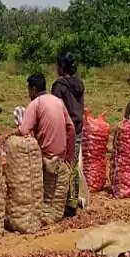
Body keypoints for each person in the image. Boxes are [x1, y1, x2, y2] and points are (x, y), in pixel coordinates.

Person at [51, 52, 85, 214]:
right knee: (73, 164)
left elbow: (55, 109)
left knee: (61, 164)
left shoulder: (59, 86)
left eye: (57, 65)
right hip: (78, 128)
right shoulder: (79, 84)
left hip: (65, 129)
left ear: (62, 67)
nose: (56, 68)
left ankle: (61, 202)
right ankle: (72, 200)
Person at [15, 73, 75, 164]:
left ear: (34, 89)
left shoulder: (36, 103)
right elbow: (71, 129)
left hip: (46, 156)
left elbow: (23, 131)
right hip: (61, 156)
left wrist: (12, 134)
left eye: (29, 90)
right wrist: (68, 158)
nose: (28, 93)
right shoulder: (58, 101)